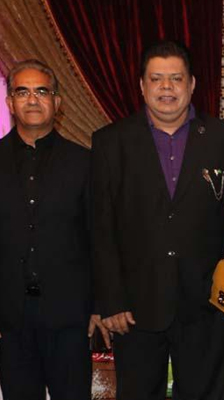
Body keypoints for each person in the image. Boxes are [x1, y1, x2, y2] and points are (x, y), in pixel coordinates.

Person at [91, 41, 224, 399]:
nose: (166, 87)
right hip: (135, 307)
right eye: (156, 78)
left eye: (176, 78)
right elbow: (100, 227)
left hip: (207, 304)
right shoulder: (111, 142)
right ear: (141, 85)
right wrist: (110, 301)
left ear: (192, 84)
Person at [0, 60, 109, 399]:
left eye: (42, 91)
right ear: (10, 102)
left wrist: (99, 305)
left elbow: (100, 238)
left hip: (70, 317)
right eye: (22, 92)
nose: (32, 99)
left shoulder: (84, 163)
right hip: (9, 318)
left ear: (57, 102)